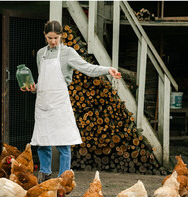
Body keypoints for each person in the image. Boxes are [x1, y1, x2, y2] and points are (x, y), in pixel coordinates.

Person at [21, 20, 121, 183]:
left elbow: (87, 68)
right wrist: (33, 88)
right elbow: (43, 81)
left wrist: (107, 70)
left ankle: (64, 178)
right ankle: (45, 175)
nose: (53, 41)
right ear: (45, 36)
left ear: (61, 36)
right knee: (42, 141)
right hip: (43, 102)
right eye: (50, 38)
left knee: (63, 142)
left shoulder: (68, 53)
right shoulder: (41, 54)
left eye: (56, 38)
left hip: (60, 102)